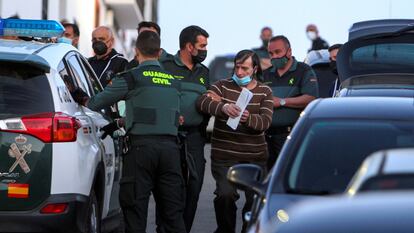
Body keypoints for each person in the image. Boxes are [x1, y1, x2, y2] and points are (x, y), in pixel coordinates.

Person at [71, 31, 186, 233]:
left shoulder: (132, 77)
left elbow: (96, 103)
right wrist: (124, 120)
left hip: (141, 151)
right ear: (159, 52)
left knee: (135, 211)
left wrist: (80, 97)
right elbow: (164, 114)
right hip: (170, 152)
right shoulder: (174, 81)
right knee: (173, 213)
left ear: (136, 52)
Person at [197, 50, 273, 233]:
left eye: (244, 68)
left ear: (254, 69)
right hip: (225, 156)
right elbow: (202, 102)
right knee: (225, 195)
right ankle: (225, 229)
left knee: (254, 200)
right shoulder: (222, 86)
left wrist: (248, 118)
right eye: (237, 67)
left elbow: (265, 122)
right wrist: (223, 107)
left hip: (254, 158)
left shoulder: (265, 91)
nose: (239, 72)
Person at [161, 25, 209, 233]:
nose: (205, 50)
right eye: (202, 46)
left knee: (194, 189)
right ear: (189, 46)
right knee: (171, 192)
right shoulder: (164, 66)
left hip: (196, 138)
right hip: (170, 138)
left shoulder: (204, 72)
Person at [263, 35, 318, 170]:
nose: (274, 56)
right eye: (271, 53)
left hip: (291, 136)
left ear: (289, 51)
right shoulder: (265, 74)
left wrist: (282, 102)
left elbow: (311, 98)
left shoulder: (304, 70)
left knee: (287, 172)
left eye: (278, 52)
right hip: (266, 137)